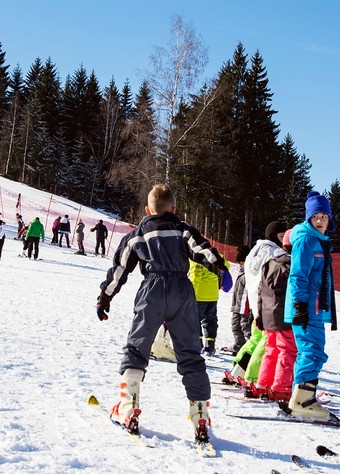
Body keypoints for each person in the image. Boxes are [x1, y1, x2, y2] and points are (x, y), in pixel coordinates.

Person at [95, 183, 231, 447]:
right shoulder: (182, 229)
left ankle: (128, 407)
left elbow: (120, 269)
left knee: (137, 348)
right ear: (174, 209)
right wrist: (219, 268)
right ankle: (200, 416)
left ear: (147, 210)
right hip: (182, 292)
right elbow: (201, 248)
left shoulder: (137, 234)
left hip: (152, 292)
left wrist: (104, 298)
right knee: (190, 353)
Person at [284, 193, 336, 419]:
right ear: (308, 219)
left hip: (314, 308)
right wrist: (300, 306)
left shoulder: (318, 241)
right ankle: (303, 401)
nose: (320, 220)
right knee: (312, 351)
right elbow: (298, 275)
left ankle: (300, 396)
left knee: (311, 350)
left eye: (324, 216)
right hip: (307, 308)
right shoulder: (307, 240)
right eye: (315, 216)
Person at [229, 221, 287, 385]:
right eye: (281, 236)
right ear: (273, 236)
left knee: (256, 339)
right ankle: (253, 376)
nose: (284, 240)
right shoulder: (274, 253)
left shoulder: (255, 251)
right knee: (266, 342)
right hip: (267, 304)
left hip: (256, 305)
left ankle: (238, 369)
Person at [255, 229, 297, 402]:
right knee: (287, 350)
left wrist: (259, 314)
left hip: (268, 315)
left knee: (271, 349)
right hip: (283, 315)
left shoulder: (270, 262)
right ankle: (281, 387)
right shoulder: (290, 264)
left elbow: (261, 290)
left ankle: (263, 384)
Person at [189, 257, 224, 356]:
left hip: (199, 295)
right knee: (211, 320)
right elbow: (226, 265)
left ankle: (197, 344)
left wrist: (190, 292)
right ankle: (210, 346)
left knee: (195, 320)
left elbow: (195, 277)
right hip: (213, 294)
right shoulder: (216, 256)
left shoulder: (196, 258)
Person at [229, 245, 252, 355]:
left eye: (242, 263)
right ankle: (239, 345)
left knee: (245, 327)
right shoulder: (241, 272)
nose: (240, 265)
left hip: (245, 309)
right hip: (237, 306)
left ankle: (249, 348)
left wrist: (245, 309)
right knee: (235, 326)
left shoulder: (250, 273)